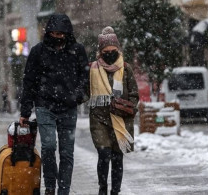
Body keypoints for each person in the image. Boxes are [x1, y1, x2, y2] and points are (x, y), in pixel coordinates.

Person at [19, 13, 89, 195]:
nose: (57, 37)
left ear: (67, 33)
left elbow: (85, 77)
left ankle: (63, 190)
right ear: (48, 32)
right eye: (54, 33)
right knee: (48, 146)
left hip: (68, 107)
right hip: (44, 106)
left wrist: (78, 96)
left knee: (66, 152)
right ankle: (50, 187)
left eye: (61, 34)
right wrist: (25, 111)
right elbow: (29, 81)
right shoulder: (38, 51)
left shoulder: (77, 50)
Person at [87, 26, 139, 195]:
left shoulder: (126, 68)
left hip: (120, 118)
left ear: (118, 49)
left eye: (113, 50)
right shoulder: (93, 69)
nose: (110, 53)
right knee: (103, 154)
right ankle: (102, 190)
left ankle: (115, 191)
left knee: (117, 157)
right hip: (99, 118)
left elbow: (134, 93)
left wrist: (128, 107)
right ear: (100, 51)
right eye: (106, 51)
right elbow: (84, 91)